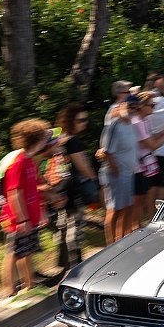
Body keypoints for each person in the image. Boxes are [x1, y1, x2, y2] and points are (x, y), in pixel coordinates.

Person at [0, 119, 50, 309]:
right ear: (36, 140)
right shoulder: (18, 162)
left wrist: (41, 212)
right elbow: (14, 193)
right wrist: (22, 219)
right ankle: (8, 293)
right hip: (17, 219)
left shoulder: (30, 161)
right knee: (13, 254)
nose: (46, 141)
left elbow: (33, 189)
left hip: (30, 216)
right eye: (44, 137)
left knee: (27, 251)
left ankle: (30, 285)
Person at [54, 103, 97, 270]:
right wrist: (95, 180)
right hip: (75, 189)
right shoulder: (72, 142)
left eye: (85, 120)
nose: (84, 123)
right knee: (75, 227)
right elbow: (83, 168)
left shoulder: (60, 140)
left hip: (62, 189)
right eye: (80, 120)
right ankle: (75, 264)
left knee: (64, 226)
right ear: (70, 121)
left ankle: (63, 263)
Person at [129, 92, 164, 229]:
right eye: (151, 105)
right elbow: (152, 145)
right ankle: (135, 231)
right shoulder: (137, 122)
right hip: (138, 167)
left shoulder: (143, 121)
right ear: (141, 106)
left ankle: (139, 227)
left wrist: (163, 132)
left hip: (143, 166)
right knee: (138, 202)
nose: (153, 108)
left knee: (142, 199)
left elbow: (150, 139)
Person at [97, 95, 137, 244]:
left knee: (126, 208)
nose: (133, 110)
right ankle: (111, 246)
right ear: (122, 105)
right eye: (130, 106)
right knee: (114, 210)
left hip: (128, 172)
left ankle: (121, 242)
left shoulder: (130, 123)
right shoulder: (114, 125)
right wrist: (116, 171)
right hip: (116, 173)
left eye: (136, 107)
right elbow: (107, 151)